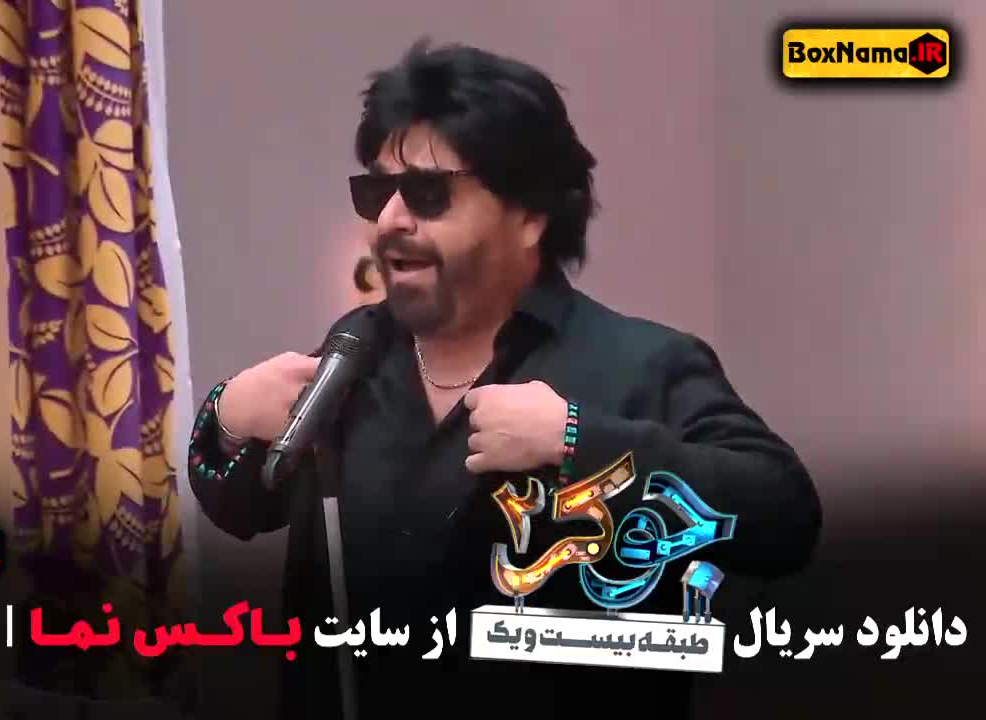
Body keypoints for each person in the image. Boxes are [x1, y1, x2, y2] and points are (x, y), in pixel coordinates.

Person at [188, 39, 822, 719]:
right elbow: (244, 508)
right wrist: (228, 420)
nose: (391, 219)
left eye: (428, 193)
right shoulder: (355, 355)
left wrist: (579, 442)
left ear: (529, 215)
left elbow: (784, 518)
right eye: (376, 192)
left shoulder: (641, 364)